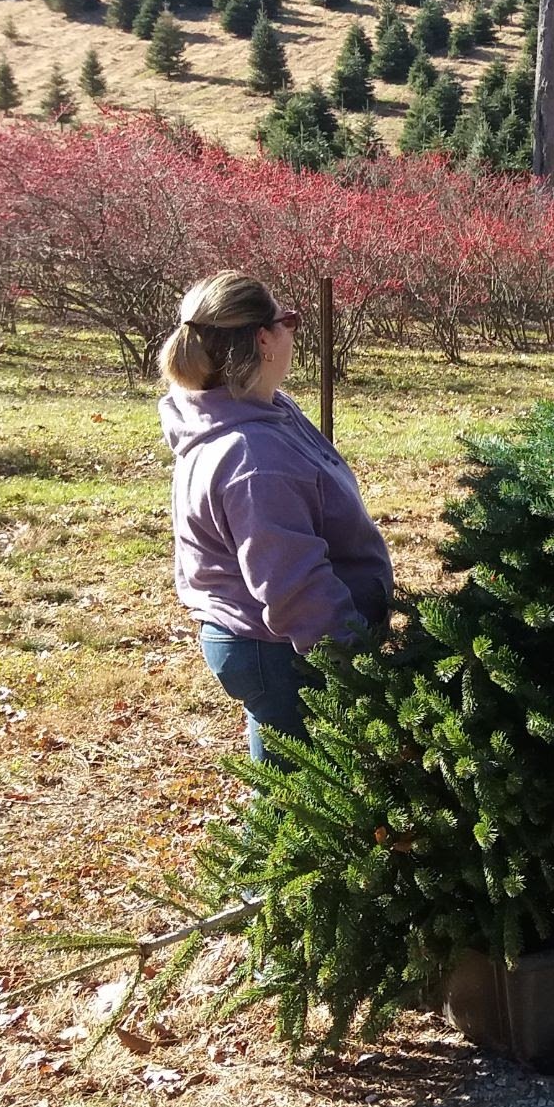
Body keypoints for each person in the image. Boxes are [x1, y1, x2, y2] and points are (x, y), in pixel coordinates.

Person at [158, 271, 392, 765]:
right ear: (264, 338)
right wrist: (357, 662)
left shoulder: (263, 409)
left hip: (272, 644)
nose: (292, 333)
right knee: (299, 805)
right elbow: (292, 585)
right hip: (282, 650)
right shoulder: (251, 456)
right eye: (288, 321)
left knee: (287, 787)